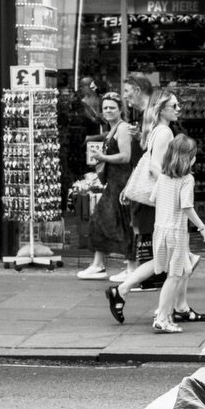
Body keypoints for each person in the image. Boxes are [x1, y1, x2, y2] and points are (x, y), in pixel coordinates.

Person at [132, 133, 205, 333]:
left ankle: (168, 312)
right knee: (174, 276)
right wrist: (202, 227)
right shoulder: (187, 179)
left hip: (160, 231)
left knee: (184, 270)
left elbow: (152, 198)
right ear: (189, 158)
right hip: (176, 233)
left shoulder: (163, 178)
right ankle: (162, 317)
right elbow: (187, 207)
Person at [106, 88, 179, 301]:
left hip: (156, 198)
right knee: (177, 259)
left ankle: (179, 307)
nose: (178, 109)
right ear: (161, 109)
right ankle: (124, 291)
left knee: (180, 260)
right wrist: (172, 190)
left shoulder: (156, 129)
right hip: (161, 198)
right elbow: (156, 166)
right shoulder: (165, 132)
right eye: (174, 106)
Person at [78, 91, 134, 280]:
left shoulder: (123, 128)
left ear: (120, 110)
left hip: (122, 183)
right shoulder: (113, 128)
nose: (108, 111)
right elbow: (108, 138)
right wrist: (93, 138)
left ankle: (131, 268)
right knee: (100, 220)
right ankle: (98, 264)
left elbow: (125, 156)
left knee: (124, 224)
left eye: (112, 108)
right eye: (105, 108)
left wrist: (103, 157)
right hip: (114, 183)